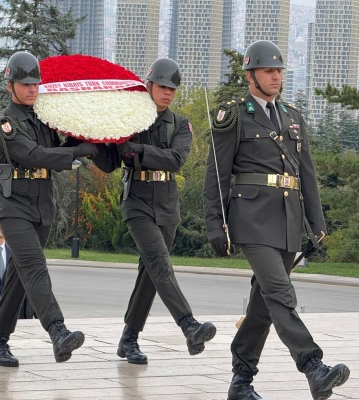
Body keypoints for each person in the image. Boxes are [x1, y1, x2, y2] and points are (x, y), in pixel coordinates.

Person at [203, 40, 350, 400]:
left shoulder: (293, 117)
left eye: (280, 70)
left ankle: (241, 380)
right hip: (250, 217)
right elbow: (217, 174)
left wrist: (316, 223)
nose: (276, 76)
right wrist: (214, 224)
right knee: (281, 293)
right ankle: (313, 366)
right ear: (251, 75)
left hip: (287, 220)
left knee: (263, 304)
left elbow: (306, 175)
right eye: (269, 70)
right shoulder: (234, 115)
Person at [92, 57, 216, 365]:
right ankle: (189, 324)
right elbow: (109, 163)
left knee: (149, 273)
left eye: (172, 89)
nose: (168, 93)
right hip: (137, 201)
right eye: (162, 87)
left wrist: (139, 151)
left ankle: (128, 340)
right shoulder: (129, 121)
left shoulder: (180, 124)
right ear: (148, 86)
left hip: (167, 204)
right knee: (159, 263)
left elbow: (175, 159)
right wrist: (96, 142)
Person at [0, 51, 99, 367]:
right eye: (24, 84)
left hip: (41, 206)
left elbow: (57, 152)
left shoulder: (43, 119)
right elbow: (34, 155)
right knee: (35, 265)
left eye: (35, 83)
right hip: (13, 206)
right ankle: (58, 331)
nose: (32, 89)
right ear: (10, 85)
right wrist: (77, 151)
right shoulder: (5, 123)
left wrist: (84, 142)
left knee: (19, 277)